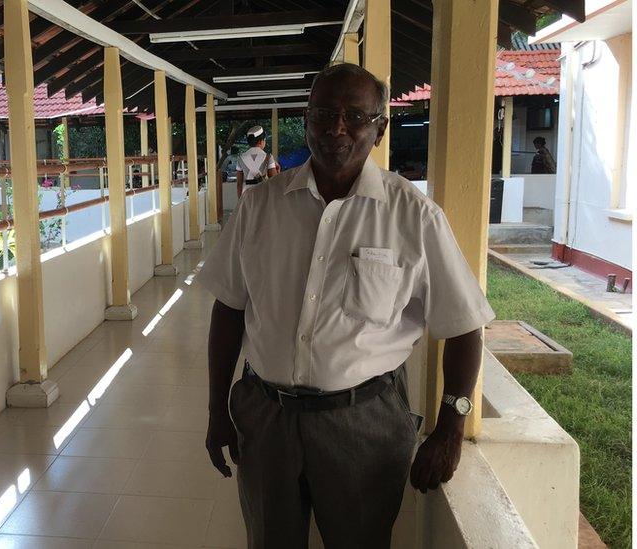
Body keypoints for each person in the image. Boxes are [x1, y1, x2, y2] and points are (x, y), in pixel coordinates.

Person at [197, 63, 495, 548]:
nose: (337, 128)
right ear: (306, 119)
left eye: (355, 116)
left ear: (379, 128)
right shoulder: (260, 207)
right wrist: (216, 411)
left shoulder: (413, 216)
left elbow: (463, 327)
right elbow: (228, 310)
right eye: (324, 114)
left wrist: (451, 428)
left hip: (364, 424)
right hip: (265, 417)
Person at [236, 126, 279, 197]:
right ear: (260, 141)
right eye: (264, 140)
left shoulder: (241, 158)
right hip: (263, 193)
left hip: (246, 195)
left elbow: (239, 184)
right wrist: (278, 171)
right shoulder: (268, 157)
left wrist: (240, 202)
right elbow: (274, 181)